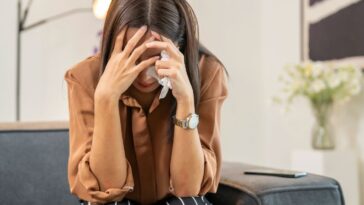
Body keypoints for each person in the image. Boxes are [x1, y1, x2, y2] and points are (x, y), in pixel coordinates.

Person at [64, 0, 229, 204]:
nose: (145, 77)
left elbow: (188, 188)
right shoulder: (84, 78)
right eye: (134, 60)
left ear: (179, 46)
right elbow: (107, 189)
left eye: (156, 59)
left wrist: (185, 99)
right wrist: (106, 98)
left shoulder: (207, 73)